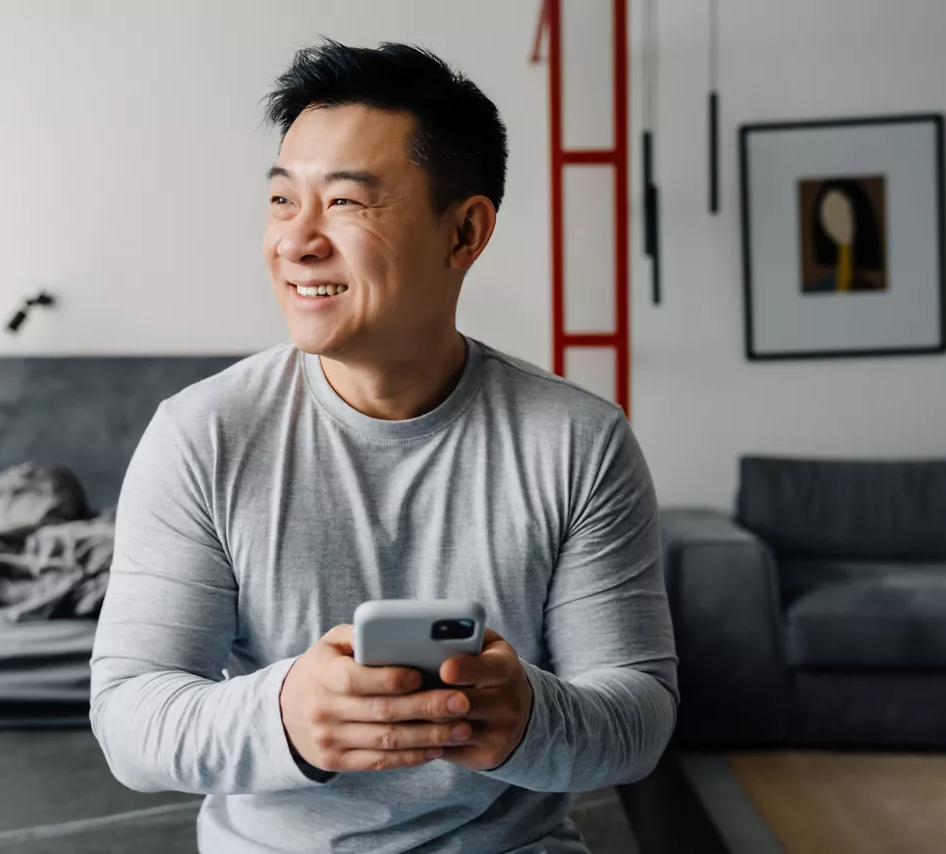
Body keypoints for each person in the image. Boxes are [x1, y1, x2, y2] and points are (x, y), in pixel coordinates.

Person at [89, 39, 678, 854]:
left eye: (345, 202)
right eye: (282, 200)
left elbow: (640, 715)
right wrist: (288, 715)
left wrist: (527, 718)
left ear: (465, 232)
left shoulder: (579, 442)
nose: (296, 241)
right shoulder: (202, 436)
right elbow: (128, 717)